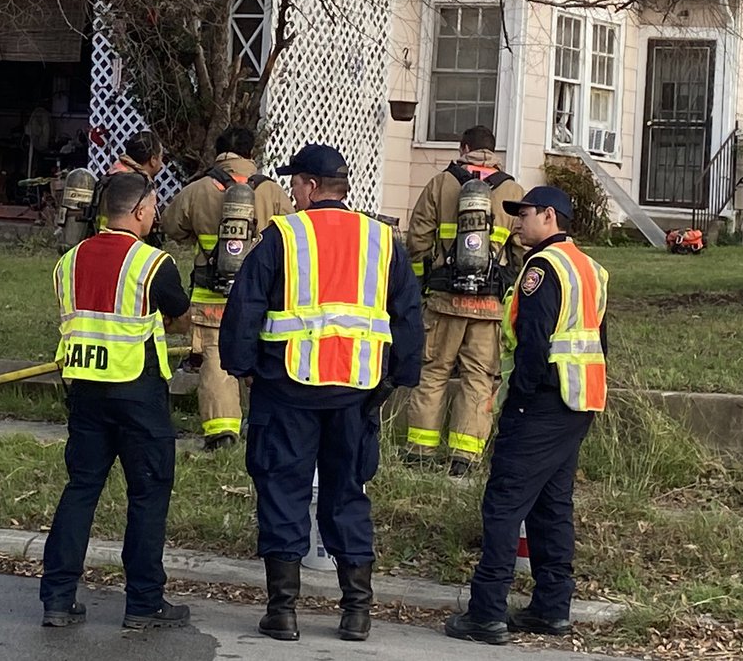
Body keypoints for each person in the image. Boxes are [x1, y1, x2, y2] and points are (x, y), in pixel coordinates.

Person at [220, 144, 424, 643]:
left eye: (295, 184)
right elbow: (408, 316)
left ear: (311, 186)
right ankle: (357, 611)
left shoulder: (283, 237)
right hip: (358, 393)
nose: (291, 192)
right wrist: (400, 376)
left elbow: (245, 307)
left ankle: (283, 611)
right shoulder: (382, 240)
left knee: (283, 489)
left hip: (288, 389)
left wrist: (242, 367)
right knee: (347, 494)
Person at [445, 185, 608, 645]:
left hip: (541, 403)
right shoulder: (590, 268)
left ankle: (487, 612)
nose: (517, 221)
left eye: (525, 213)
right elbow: (600, 341)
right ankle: (552, 608)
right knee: (551, 507)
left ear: (550, 217)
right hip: (579, 403)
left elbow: (534, 344)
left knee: (504, 503)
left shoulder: (543, 268)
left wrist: (517, 404)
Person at [40, 172, 192, 631]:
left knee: (81, 490)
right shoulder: (152, 263)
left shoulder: (68, 261)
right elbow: (180, 317)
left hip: (84, 390)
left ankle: (58, 600)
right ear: (142, 211)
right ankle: (144, 604)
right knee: (147, 494)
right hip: (137, 392)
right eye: (154, 208)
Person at [159, 126, 293, 451]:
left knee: (216, 358)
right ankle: (262, 425)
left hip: (211, 294)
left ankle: (221, 432)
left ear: (218, 152)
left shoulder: (199, 188)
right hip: (263, 292)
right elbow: (293, 235)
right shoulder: (271, 191)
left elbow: (170, 225)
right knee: (264, 354)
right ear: (250, 154)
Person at [405, 125, 525, 477]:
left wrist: (425, 280)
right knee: (479, 377)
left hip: (444, 300)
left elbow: (417, 239)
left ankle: (420, 450)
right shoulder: (512, 189)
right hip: (489, 306)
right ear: (493, 151)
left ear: (464, 148)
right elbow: (519, 250)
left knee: (434, 371)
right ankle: (465, 455)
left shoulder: (441, 184)